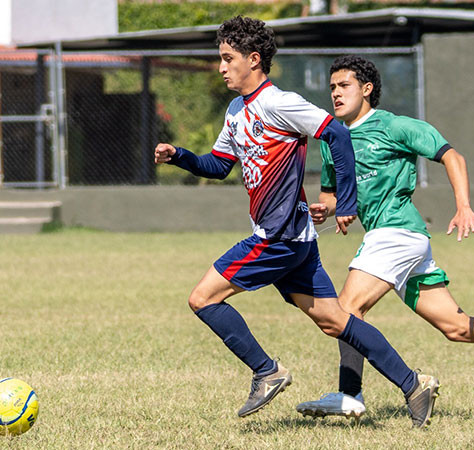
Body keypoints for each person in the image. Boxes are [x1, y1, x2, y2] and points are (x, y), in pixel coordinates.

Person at [154, 18, 440, 428]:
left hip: (278, 236)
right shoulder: (236, 111)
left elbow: (336, 136)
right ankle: (414, 385)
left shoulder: (280, 103)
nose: (221, 67)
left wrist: (346, 199)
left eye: (227, 58)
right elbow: (218, 166)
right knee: (335, 320)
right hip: (295, 238)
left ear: (254, 60)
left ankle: (266, 371)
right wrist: (179, 154)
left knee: (203, 298)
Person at [295, 55, 474, 419]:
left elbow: (453, 157)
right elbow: (332, 196)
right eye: (332, 87)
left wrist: (463, 206)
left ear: (366, 89)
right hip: (395, 241)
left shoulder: (395, 126)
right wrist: (328, 210)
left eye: (344, 86)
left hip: (397, 232)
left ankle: (351, 394)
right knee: (458, 327)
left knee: (346, 310)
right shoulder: (332, 140)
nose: (335, 93)